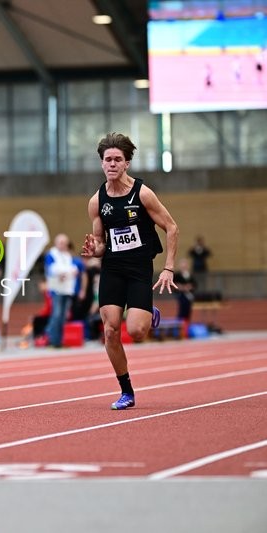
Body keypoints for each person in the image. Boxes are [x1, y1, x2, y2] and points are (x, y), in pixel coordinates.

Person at [82, 132, 179, 410]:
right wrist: (94, 250)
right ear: (101, 164)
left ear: (126, 163)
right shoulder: (97, 201)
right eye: (107, 160)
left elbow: (171, 227)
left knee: (136, 331)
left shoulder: (143, 194)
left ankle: (146, 311)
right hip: (112, 268)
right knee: (111, 330)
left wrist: (168, 268)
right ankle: (126, 391)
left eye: (117, 159)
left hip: (139, 269)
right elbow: (101, 243)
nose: (111, 164)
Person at [43, 233, 79, 348]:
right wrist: (66, 272)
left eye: (65, 243)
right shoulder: (52, 254)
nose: (63, 245)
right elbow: (53, 270)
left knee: (63, 316)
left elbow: (74, 269)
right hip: (56, 289)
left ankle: (59, 340)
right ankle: (53, 340)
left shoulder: (68, 256)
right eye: (61, 243)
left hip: (67, 289)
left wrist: (66, 272)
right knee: (56, 314)